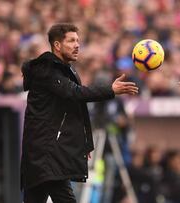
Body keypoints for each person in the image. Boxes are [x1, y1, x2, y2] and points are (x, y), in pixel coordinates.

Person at [20, 23, 138, 203]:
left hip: (44, 155)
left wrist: (85, 142)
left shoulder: (66, 71)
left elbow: (76, 110)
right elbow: (75, 93)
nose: (77, 45)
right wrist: (110, 90)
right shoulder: (47, 69)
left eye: (78, 41)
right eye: (71, 41)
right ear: (57, 45)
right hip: (46, 155)